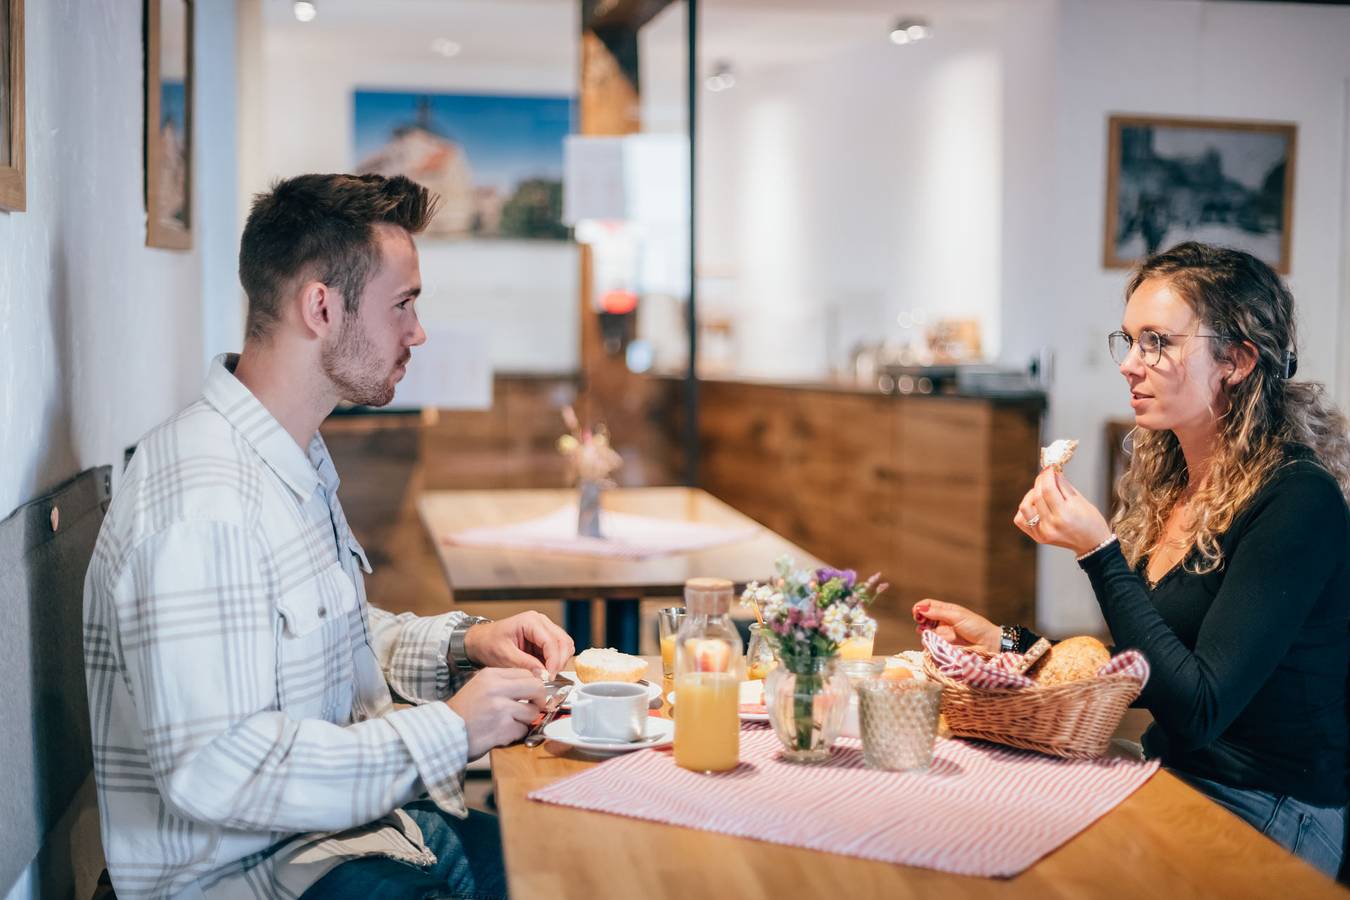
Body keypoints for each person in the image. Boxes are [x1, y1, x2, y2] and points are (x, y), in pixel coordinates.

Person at [83, 173, 574, 899]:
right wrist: (451, 730)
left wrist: (464, 646)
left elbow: (318, 639)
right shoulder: (203, 502)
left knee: (569, 865)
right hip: (259, 877)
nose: (418, 331)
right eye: (402, 303)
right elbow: (220, 770)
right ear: (321, 306)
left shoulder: (287, 453)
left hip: (354, 834)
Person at [914, 242, 1349, 879]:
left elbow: (1197, 710)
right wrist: (1007, 643)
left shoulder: (1296, 500)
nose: (1129, 364)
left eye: (1157, 343)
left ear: (1235, 360)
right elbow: (1149, 669)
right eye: (1130, 340)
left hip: (1268, 807)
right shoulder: (1178, 480)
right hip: (1174, 770)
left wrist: (1099, 553)